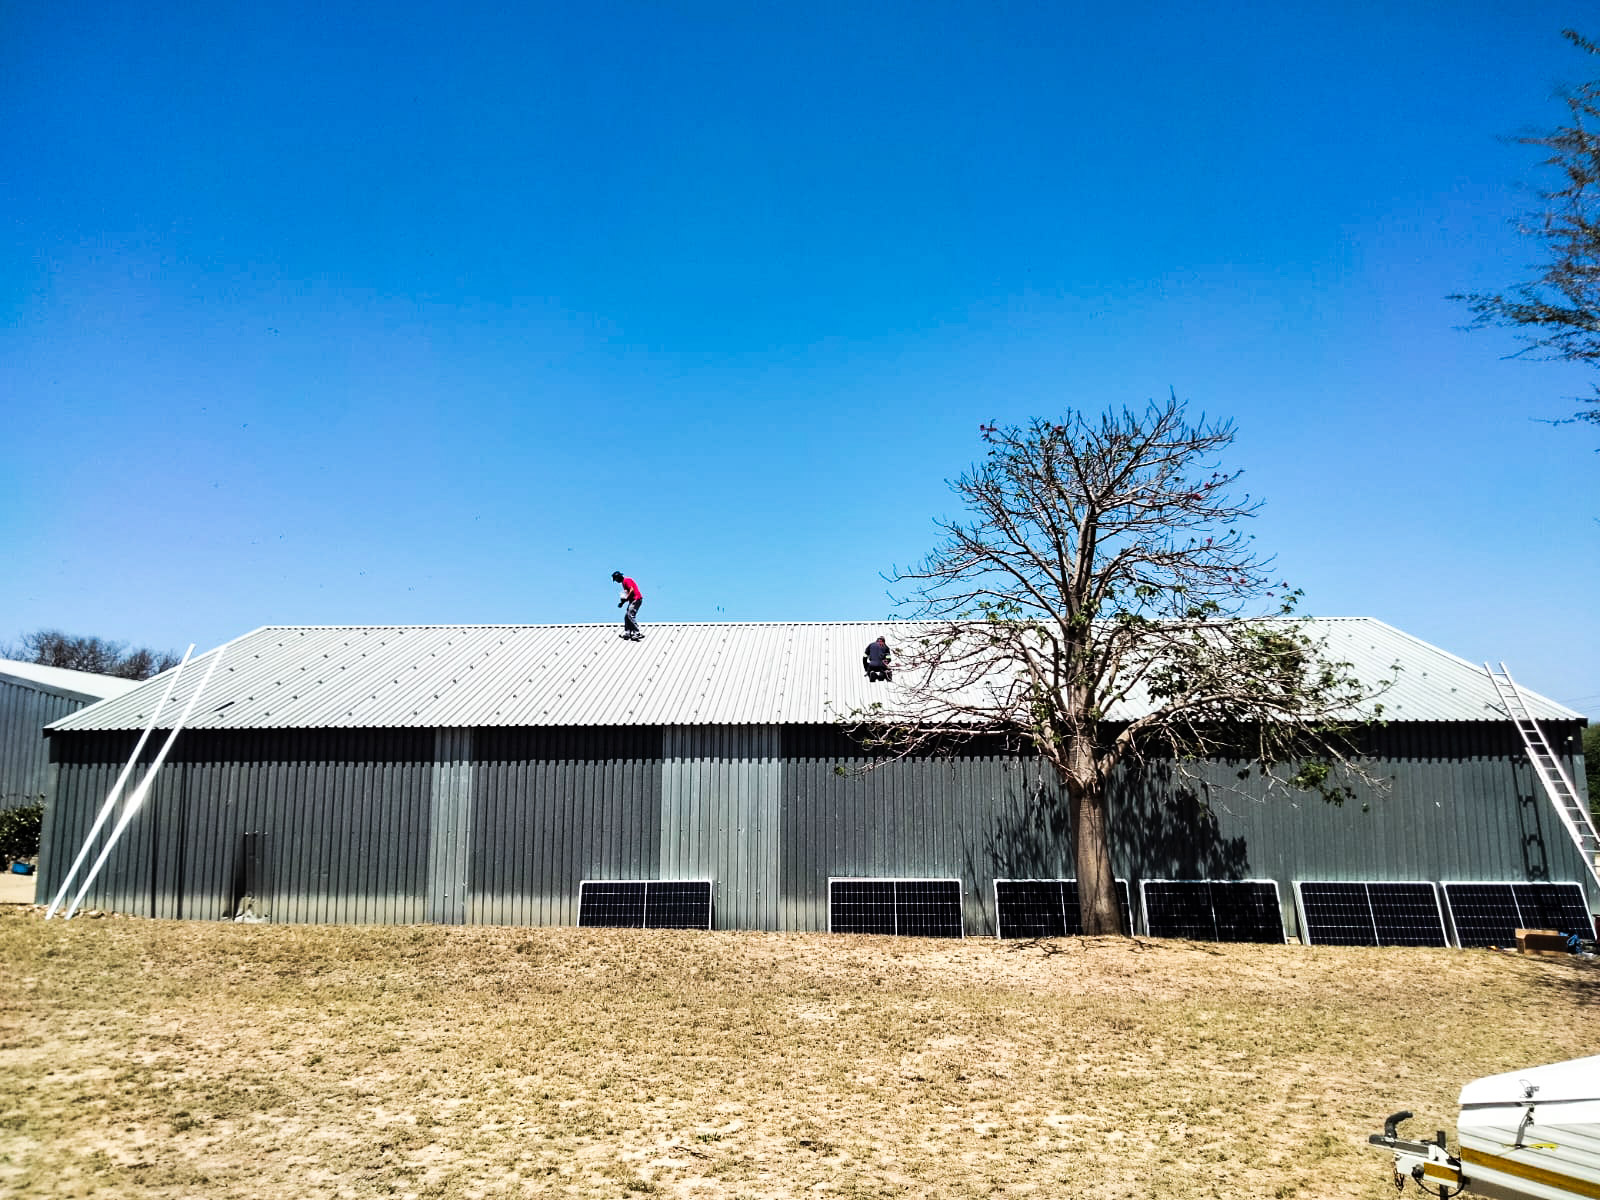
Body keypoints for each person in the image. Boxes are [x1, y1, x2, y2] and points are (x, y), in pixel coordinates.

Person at [612, 571, 644, 640]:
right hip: (632, 600)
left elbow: (632, 590)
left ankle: (637, 633)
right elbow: (627, 595)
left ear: (619, 577)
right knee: (626, 616)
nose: (616, 581)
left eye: (616, 579)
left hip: (636, 599)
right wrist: (622, 603)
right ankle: (628, 633)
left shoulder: (627, 580)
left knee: (630, 614)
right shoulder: (623, 583)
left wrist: (626, 598)